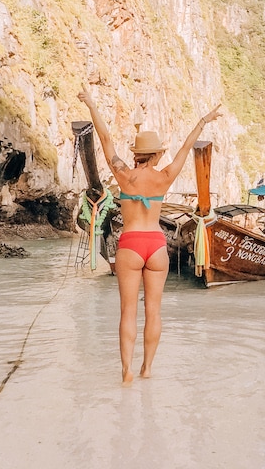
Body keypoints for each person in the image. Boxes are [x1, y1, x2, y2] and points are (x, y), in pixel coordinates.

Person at [78, 87, 221, 385]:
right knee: (153, 311)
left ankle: (127, 370)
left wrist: (91, 103)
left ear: (136, 155)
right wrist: (203, 121)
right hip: (156, 246)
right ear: (155, 155)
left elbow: (105, 141)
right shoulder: (164, 177)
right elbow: (185, 149)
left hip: (129, 244)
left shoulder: (123, 174)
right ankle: (147, 369)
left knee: (127, 312)